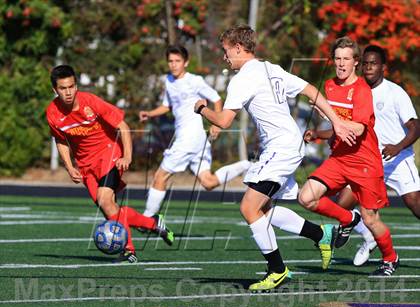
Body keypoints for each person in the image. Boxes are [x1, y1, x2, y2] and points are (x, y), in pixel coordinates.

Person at [194, 25, 356, 292]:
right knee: (264, 209)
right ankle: (320, 234)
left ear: (238, 48)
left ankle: (277, 270)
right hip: (284, 145)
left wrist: (201, 108)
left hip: (281, 148)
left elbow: (223, 120)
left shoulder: (243, 78)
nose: (225, 58)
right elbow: (310, 90)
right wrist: (336, 121)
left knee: (249, 208)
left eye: (226, 52)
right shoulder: (271, 68)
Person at [46, 65, 174, 264]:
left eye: (71, 86)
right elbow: (60, 140)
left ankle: (129, 250)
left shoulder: (90, 102)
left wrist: (127, 157)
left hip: (109, 152)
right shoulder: (53, 113)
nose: (69, 92)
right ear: (55, 90)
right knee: (109, 208)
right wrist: (70, 167)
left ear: (76, 85)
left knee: (105, 201)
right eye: (63, 88)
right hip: (85, 164)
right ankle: (154, 223)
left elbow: (123, 126)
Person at [307, 45, 420, 266]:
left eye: (373, 63)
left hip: (395, 159)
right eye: (366, 63)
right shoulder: (355, 90)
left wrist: (397, 148)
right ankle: (369, 238)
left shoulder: (394, 92)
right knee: (344, 204)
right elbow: (344, 127)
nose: (369, 67)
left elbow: (416, 127)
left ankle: (375, 241)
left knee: (414, 203)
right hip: (365, 160)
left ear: (383, 67)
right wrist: (319, 134)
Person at [139, 44, 251, 217]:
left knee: (159, 176)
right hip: (197, 140)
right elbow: (166, 106)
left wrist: (217, 124)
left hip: (189, 138)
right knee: (209, 182)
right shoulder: (169, 81)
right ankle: (247, 165)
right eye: (170, 61)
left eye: (177, 61)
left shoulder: (194, 80)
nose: (173, 64)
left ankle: (147, 219)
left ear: (186, 62)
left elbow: (216, 99)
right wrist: (150, 113)